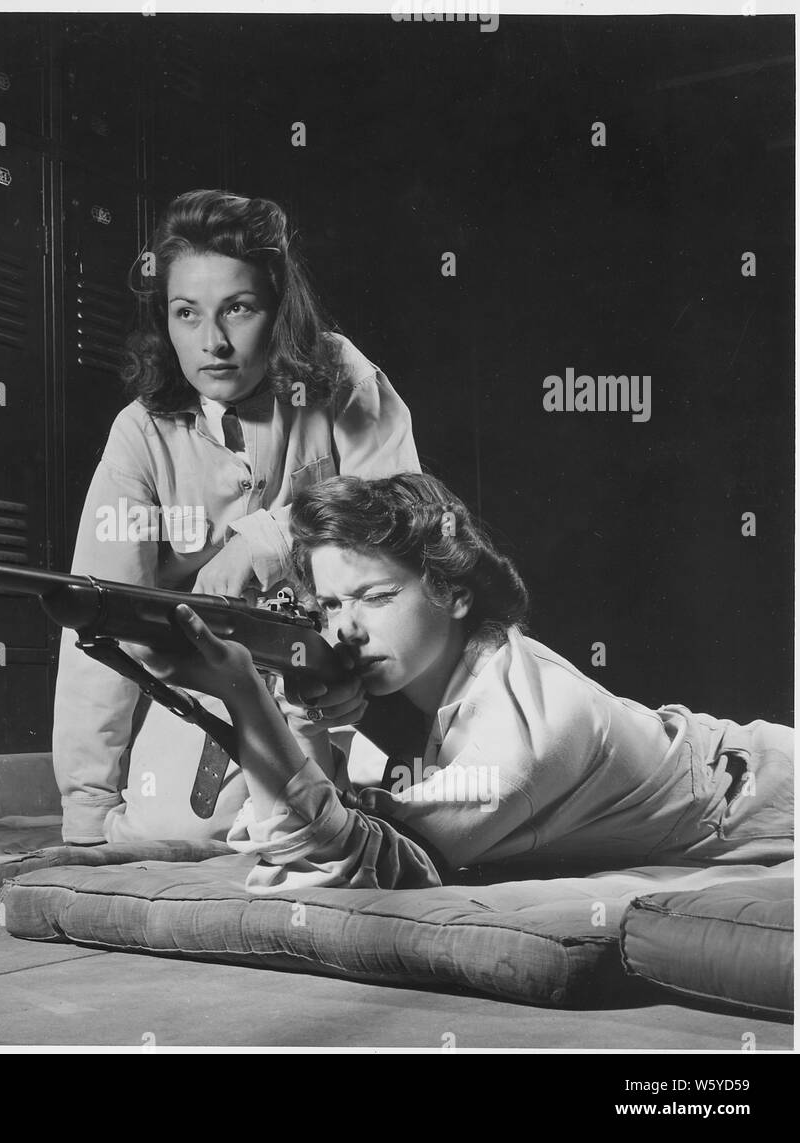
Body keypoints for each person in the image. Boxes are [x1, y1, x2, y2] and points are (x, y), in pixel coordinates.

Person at [130, 472, 794, 890]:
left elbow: (328, 861)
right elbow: (293, 821)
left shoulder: (526, 738)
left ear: (451, 593)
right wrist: (308, 713)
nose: (346, 630)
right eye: (332, 605)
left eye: (377, 596)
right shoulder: (425, 684)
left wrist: (246, 693)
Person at [52, 189, 421, 844]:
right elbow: (101, 625)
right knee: (174, 829)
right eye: (186, 313)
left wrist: (272, 537)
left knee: (442, 803)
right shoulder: (139, 436)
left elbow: (406, 512)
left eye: (238, 309)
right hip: (218, 672)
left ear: (278, 309)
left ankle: (368, 777)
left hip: (360, 659)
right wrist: (84, 817)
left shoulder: (338, 374)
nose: (213, 342)